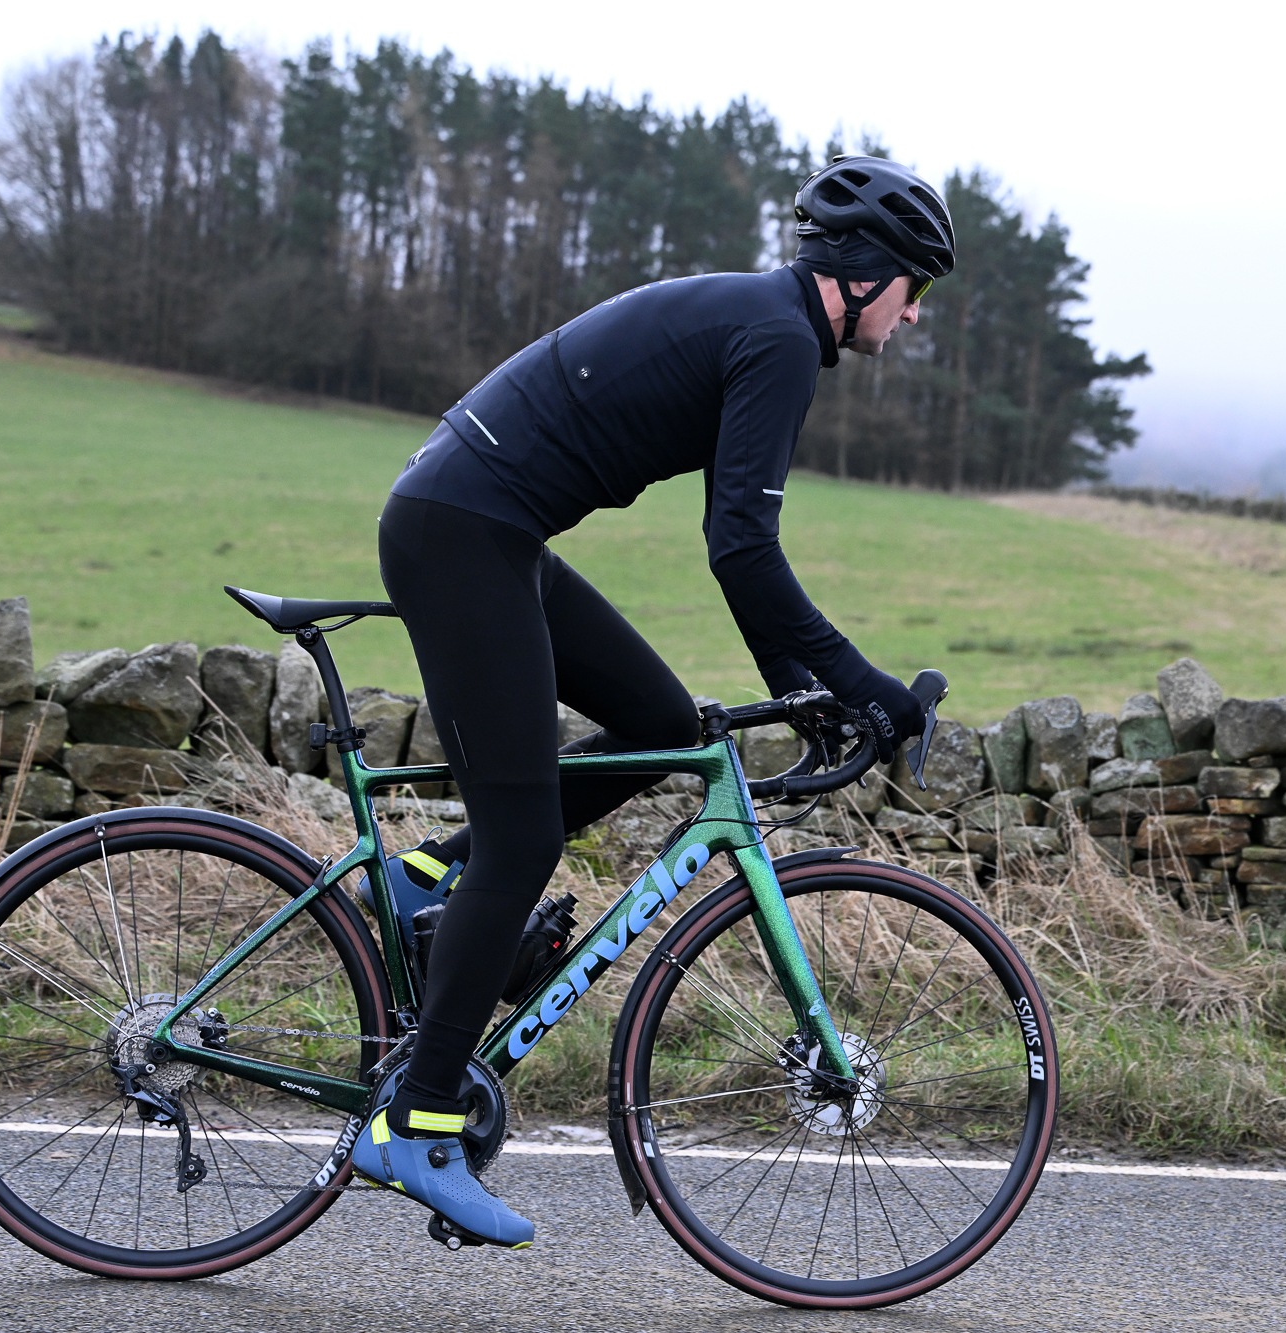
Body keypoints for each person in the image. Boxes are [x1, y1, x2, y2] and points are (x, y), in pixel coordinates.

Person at [351, 157, 957, 1246]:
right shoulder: (778, 339)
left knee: (661, 726)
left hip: (485, 526)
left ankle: (426, 873)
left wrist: (808, 683)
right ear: (861, 277)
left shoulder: (768, 322)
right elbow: (741, 548)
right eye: (914, 287)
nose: (913, 315)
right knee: (525, 837)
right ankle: (417, 1123)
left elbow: (739, 549)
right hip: (463, 532)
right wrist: (851, 688)